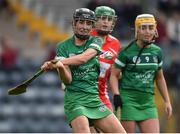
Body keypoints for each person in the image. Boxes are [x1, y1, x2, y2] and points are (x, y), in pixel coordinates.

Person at [41, 8, 126, 133]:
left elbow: (84, 58)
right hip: (75, 101)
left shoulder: (96, 41)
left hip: (94, 99)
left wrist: (59, 62)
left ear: (92, 26)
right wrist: (60, 67)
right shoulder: (63, 46)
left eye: (88, 23)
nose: (84, 26)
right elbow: (68, 80)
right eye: (81, 22)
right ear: (74, 23)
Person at [110, 14, 172, 133]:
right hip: (128, 102)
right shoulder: (126, 52)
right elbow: (113, 75)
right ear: (137, 30)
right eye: (143, 28)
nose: (147, 31)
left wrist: (167, 101)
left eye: (150, 27)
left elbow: (159, 78)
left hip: (148, 103)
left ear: (155, 29)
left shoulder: (157, 51)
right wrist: (116, 94)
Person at [91, 6, 122, 112]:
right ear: (95, 20)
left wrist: (116, 93)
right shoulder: (86, 38)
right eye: (103, 18)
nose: (106, 22)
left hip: (102, 94)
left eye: (109, 19)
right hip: (83, 93)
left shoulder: (115, 43)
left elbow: (114, 73)